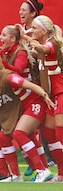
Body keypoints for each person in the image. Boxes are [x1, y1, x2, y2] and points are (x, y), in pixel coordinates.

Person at [0, 52, 54, 182]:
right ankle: (16, 176)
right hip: (22, 109)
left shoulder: (8, 77)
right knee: (3, 138)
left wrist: (45, 97)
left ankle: (42, 170)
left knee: (19, 134)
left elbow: (31, 86)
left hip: (35, 103)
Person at [25, 15, 63, 182]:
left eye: (34, 28)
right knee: (49, 132)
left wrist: (25, 37)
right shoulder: (42, 45)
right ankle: (62, 173)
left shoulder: (51, 43)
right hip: (51, 95)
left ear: (44, 31)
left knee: (60, 132)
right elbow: (37, 51)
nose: (32, 30)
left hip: (60, 92)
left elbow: (44, 49)